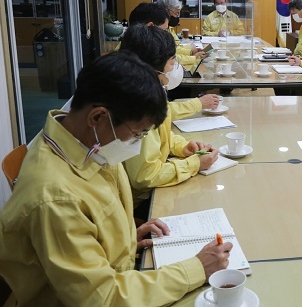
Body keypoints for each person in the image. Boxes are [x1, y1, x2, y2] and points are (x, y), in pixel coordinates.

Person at [0, 52, 232, 306]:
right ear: (97, 117)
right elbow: (103, 297)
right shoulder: (55, 197)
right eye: (137, 134)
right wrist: (197, 268)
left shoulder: (89, 145)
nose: (137, 143)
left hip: (119, 272)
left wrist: (126, 237)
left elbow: (93, 226)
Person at [120, 24, 218, 207]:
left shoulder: (150, 90)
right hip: (142, 201)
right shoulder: (140, 103)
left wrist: (182, 147)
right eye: (173, 61)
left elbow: (160, 132)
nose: (175, 68)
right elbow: (144, 176)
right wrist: (194, 164)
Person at [156, 0, 207, 67]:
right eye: (176, 13)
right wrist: (193, 57)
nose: (177, 17)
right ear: (166, 11)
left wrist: (191, 52)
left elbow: (175, 48)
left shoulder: (169, 27)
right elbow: (170, 56)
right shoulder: (159, 29)